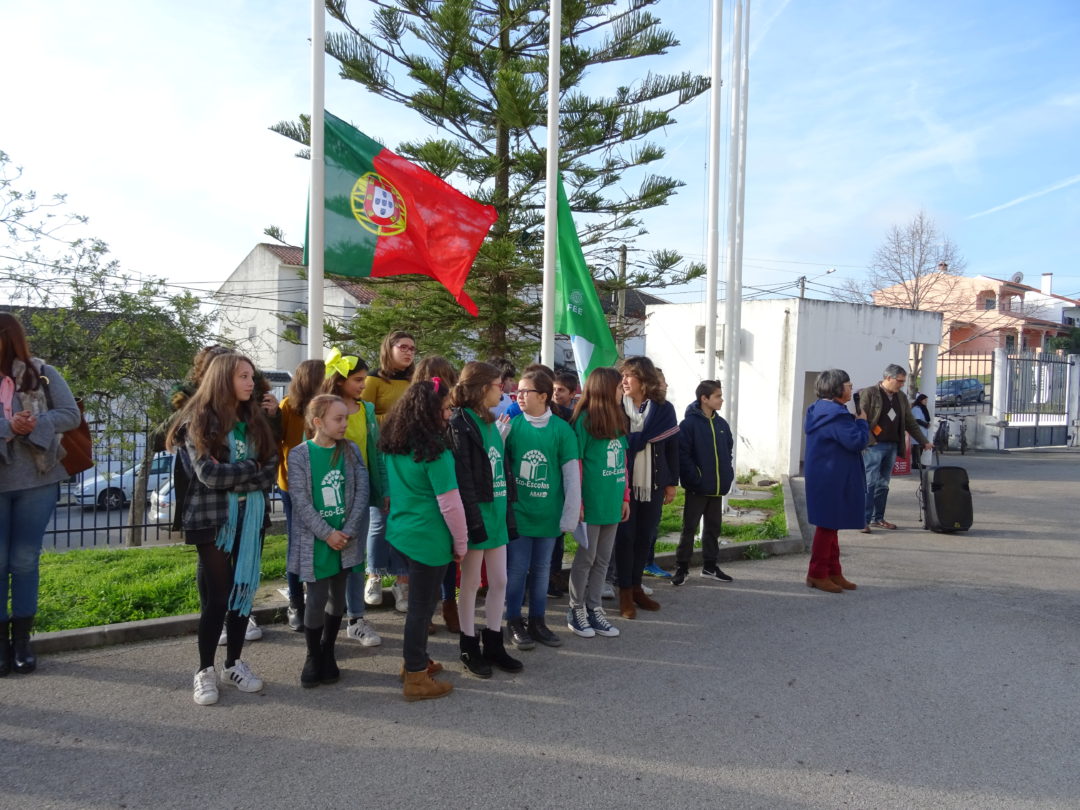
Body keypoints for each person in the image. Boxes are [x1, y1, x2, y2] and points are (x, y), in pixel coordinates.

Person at [166, 353, 277, 706]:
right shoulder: (199, 420)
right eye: (243, 376)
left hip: (252, 515)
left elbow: (270, 468)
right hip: (213, 519)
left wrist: (245, 472)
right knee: (218, 596)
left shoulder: (255, 418)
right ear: (223, 379)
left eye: (251, 376)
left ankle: (233, 664)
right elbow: (208, 474)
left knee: (244, 590)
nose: (251, 383)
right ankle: (204, 670)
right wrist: (251, 467)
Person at [0, 313, 81, 675]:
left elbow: (70, 414)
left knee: (24, 560)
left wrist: (36, 423)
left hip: (37, 479)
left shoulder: (41, 372)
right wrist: (8, 425)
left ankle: (22, 642)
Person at [379, 378, 468, 701]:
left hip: (401, 533)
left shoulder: (395, 444)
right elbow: (451, 505)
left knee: (419, 607)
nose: (449, 415)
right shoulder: (436, 453)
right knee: (422, 609)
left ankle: (415, 662)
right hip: (429, 540)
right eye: (445, 409)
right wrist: (461, 544)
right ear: (430, 412)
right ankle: (416, 675)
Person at [287, 394, 369, 687]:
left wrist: (348, 529)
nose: (345, 423)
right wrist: (327, 533)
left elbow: (362, 490)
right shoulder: (299, 455)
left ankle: (328, 650)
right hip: (317, 541)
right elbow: (300, 499)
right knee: (317, 597)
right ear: (318, 422)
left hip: (345, 538)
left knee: (338, 595)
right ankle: (313, 655)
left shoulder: (351, 450)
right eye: (338, 419)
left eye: (346, 417)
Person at [448, 361, 522, 678]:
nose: (502, 391)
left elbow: (500, 468)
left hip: (498, 510)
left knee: (499, 580)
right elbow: (464, 478)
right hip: (477, 513)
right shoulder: (460, 423)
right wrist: (472, 521)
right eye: (497, 386)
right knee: (470, 583)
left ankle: (494, 642)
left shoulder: (491, 422)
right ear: (481, 388)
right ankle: (468, 644)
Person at [503, 370, 580, 650]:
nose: (519, 397)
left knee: (541, 571)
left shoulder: (562, 430)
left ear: (544, 396)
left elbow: (571, 476)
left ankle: (538, 620)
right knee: (516, 570)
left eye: (526, 392)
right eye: (518, 392)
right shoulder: (512, 426)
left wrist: (570, 515)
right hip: (519, 515)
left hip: (548, 515)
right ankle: (513, 620)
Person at [322, 350, 384, 646]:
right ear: (340, 379)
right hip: (330, 498)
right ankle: (325, 621)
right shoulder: (321, 408)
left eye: (364, 379)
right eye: (358, 379)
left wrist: (382, 490)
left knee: (356, 559)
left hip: (359, 496)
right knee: (330, 559)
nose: (363, 384)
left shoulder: (367, 410)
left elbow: (376, 452)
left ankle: (356, 619)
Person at [614, 356, 679, 619]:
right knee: (625, 538)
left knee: (644, 536)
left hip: (653, 483)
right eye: (622, 376)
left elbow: (672, 447)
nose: (624, 381)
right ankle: (624, 593)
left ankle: (637, 588)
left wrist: (671, 483)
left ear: (643, 380)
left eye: (629, 375)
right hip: (623, 484)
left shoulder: (664, 409)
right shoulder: (616, 407)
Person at [566, 367, 628, 639]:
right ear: (605, 388)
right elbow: (577, 465)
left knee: (603, 559)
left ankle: (594, 608)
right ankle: (575, 608)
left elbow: (623, 461)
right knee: (586, 559)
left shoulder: (618, 417)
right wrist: (578, 502)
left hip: (612, 501)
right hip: (591, 502)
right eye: (619, 386)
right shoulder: (583, 421)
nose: (623, 391)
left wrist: (625, 497)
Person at [360, 332, 415, 613]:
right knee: (379, 521)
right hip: (380, 457)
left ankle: (402, 581)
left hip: (407, 458)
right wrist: (397, 417)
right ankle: (374, 575)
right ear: (388, 348)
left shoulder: (414, 380)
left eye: (412, 348)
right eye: (403, 347)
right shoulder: (373, 380)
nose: (408, 352)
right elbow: (363, 415)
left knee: (403, 522)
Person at [804, 369, 869, 593]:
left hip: (827, 475)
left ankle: (833, 572)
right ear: (837, 388)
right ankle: (817, 574)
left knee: (831, 526)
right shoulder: (835, 415)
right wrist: (862, 422)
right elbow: (857, 441)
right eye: (848, 385)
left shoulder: (820, 409)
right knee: (828, 527)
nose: (851, 389)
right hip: (831, 476)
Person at [412, 356, 461, 634]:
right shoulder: (416, 411)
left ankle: (447, 604)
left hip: (446, 486)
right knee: (430, 560)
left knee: (447, 559)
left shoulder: (453, 409)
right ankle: (432, 609)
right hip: (428, 495)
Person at [276, 359, 326, 631]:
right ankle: (296, 603)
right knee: (297, 544)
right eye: (323, 377)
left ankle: (321, 601)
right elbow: (277, 443)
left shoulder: (328, 406)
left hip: (324, 486)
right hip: (293, 486)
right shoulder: (288, 407)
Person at [673, 380, 735, 586]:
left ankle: (710, 567)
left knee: (713, 528)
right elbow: (683, 455)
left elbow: (728, 451)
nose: (721, 400)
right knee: (689, 528)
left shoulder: (721, 424)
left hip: (717, 487)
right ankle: (682, 568)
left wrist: (727, 474)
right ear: (704, 399)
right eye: (718, 396)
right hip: (697, 488)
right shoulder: (688, 424)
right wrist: (696, 477)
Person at [856, 364, 932, 532]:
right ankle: (863, 520)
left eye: (903, 381)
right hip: (874, 445)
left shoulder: (901, 397)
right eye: (900, 381)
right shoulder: (870, 393)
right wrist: (869, 441)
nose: (902, 384)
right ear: (888, 378)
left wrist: (924, 441)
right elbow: (861, 419)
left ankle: (878, 518)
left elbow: (910, 422)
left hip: (892, 445)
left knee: (883, 484)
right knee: (870, 482)